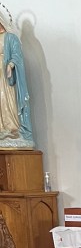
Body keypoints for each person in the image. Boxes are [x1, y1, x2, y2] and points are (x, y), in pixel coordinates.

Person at [0, 12, 33, 148]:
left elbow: (17, 55)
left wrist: (11, 64)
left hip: (6, 76)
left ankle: (11, 128)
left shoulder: (11, 38)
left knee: (7, 101)